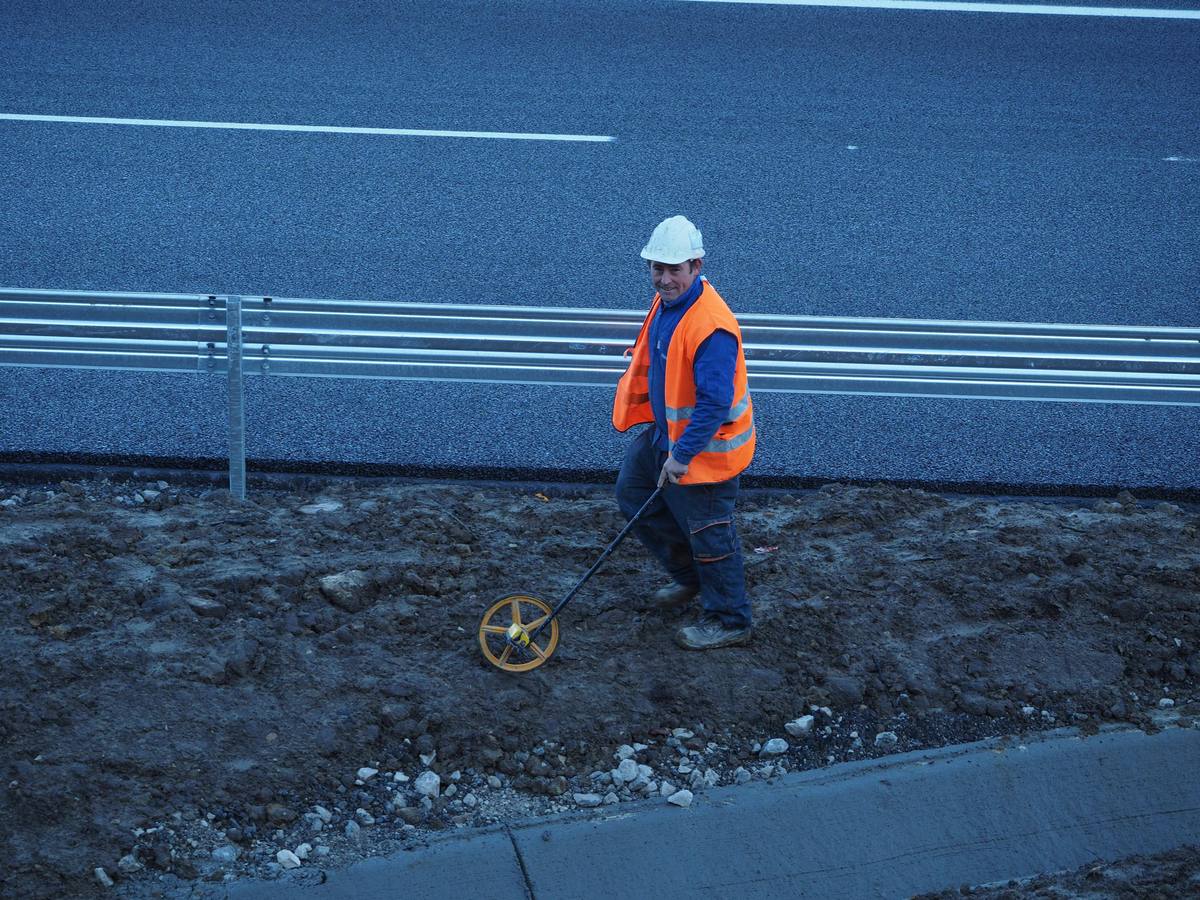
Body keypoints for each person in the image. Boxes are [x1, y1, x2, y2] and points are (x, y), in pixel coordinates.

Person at [612, 215, 756, 650]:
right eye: (657, 268)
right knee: (633, 494)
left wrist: (682, 456)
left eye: (674, 269)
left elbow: (714, 403)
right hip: (666, 435)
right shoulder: (669, 303)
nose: (664, 278)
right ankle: (690, 579)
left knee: (710, 533)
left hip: (704, 453)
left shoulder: (711, 327)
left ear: (696, 266)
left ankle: (730, 619)